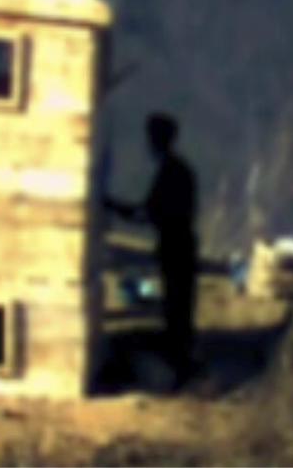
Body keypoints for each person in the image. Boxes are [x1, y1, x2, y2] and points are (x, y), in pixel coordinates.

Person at [105, 113, 199, 390]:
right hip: (181, 244)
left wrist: (112, 206)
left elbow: (147, 212)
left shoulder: (171, 171)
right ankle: (182, 368)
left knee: (176, 309)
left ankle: (181, 374)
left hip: (176, 245)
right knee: (179, 307)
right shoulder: (180, 169)